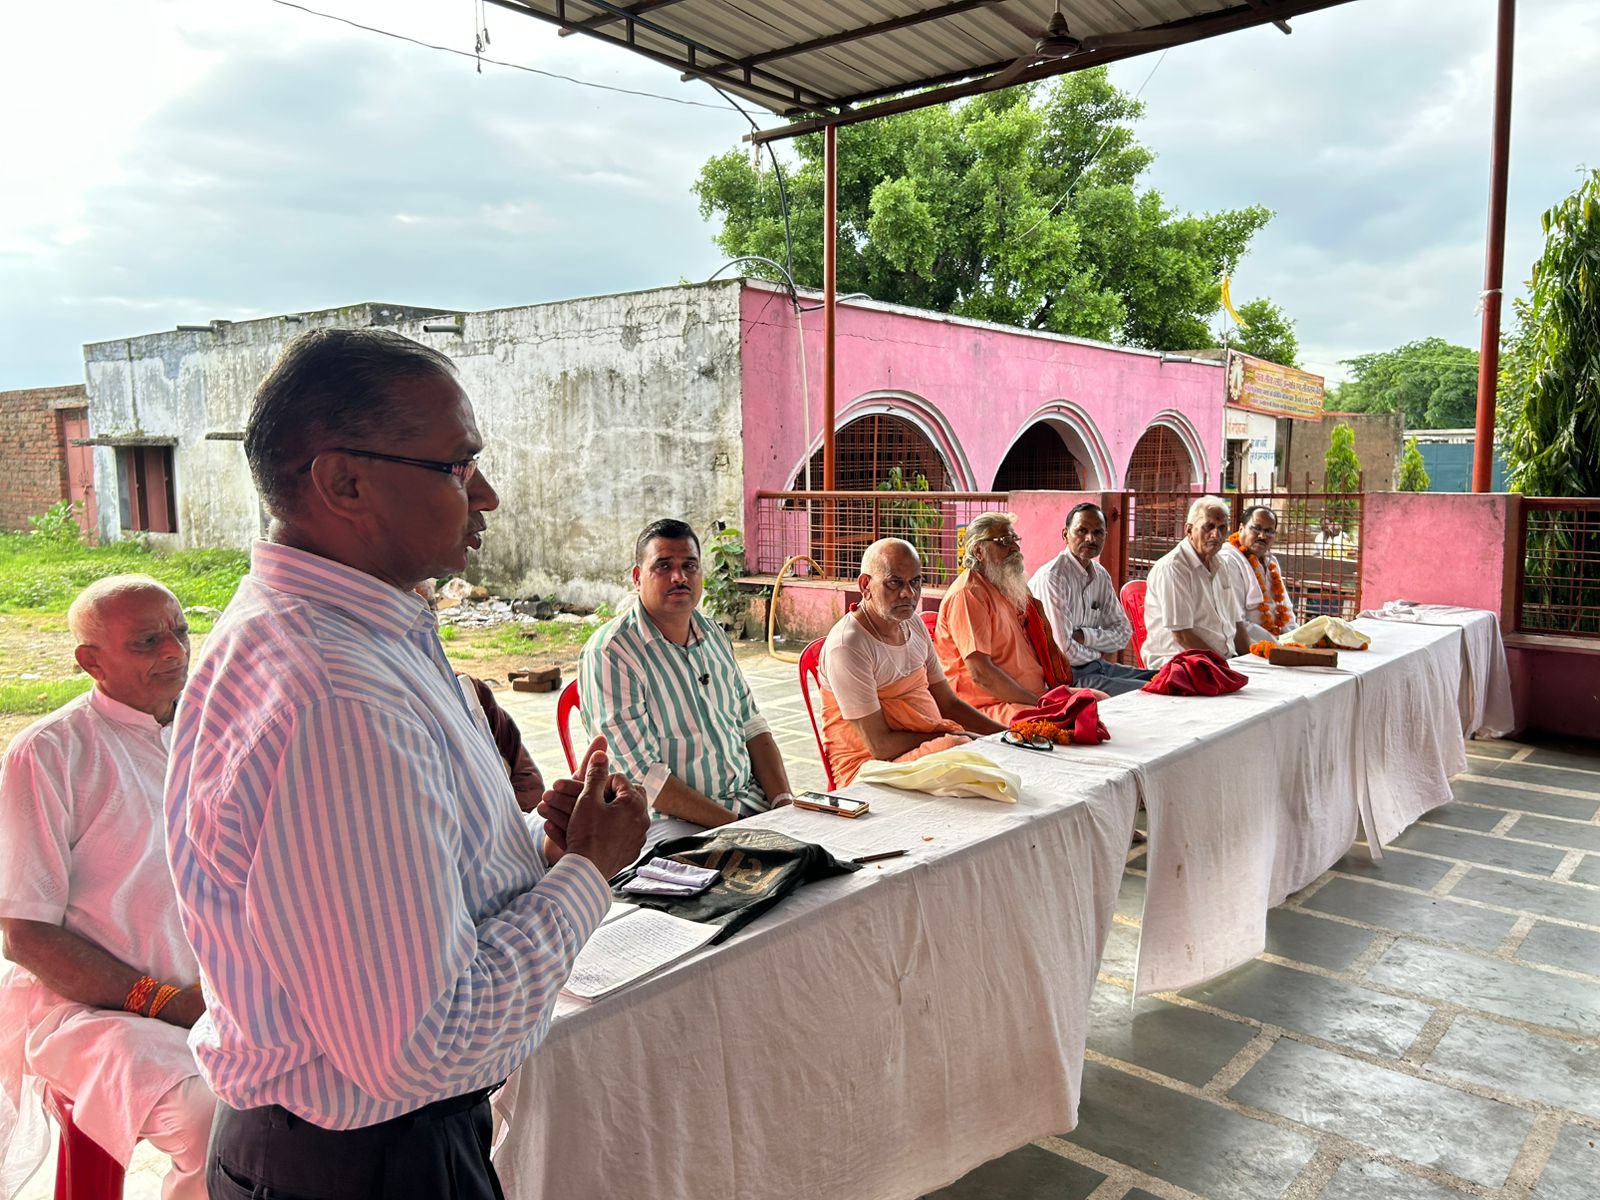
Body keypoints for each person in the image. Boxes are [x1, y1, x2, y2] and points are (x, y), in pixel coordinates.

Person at [165, 327, 648, 1200]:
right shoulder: (336, 693)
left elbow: (414, 900)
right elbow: (424, 1045)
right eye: (458, 467)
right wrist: (588, 872)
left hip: (356, 1151)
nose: (486, 494)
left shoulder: (360, 632)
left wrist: (537, 857)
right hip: (362, 1165)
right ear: (343, 482)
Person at [0, 576, 214, 1200]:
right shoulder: (49, 753)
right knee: (214, 1120)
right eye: (147, 642)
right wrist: (166, 1001)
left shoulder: (212, 729)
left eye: (180, 632)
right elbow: (26, 936)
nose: (174, 651)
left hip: (217, 997)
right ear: (90, 662)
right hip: (91, 1011)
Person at [581, 518, 795, 828]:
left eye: (689, 566)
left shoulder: (713, 634)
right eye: (663, 566)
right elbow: (643, 776)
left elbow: (751, 725)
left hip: (748, 805)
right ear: (638, 578)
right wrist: (738, 829)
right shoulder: (612, 652)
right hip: (667, 822)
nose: (679, 577)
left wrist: (784, 804)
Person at [818, 539, 1005, 785]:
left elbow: (948, 704)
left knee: (985, 752)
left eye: (915, 582)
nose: (909, 593)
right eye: (894, 583)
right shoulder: (848, 646)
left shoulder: (912, 624)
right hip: (870, 769)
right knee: (960, 752)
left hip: (933, 747)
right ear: (865, 585)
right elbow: (880, 746)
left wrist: (1005, 736)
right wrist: (952, 736)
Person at [934, 511, 1080, 723]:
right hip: (992, 705)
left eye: (1015, 539)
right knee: (1072, 722)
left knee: (1099, 700)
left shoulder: (1007, 587)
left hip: (1033, 696)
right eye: (1004, 541)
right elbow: (981, 673)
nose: (1015, 548)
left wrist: (1044, 698)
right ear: (979, 551)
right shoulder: (968, 595)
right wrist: (1039, 703)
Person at [417, 580, 544, 812]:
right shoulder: (379, 710)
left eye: (431, 608)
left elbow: (529, 783)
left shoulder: (469, 691)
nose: (426, 622)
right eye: (408, 609)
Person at [1027, 502, 1156, 696]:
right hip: (1066, 676)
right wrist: (1097, 652)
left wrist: (1084, 635)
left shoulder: (1100, 575)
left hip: (1096, 667)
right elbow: (1064, 651)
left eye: (1098, 532)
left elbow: (1123, 633)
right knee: (1150, 692)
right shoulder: (1052, 578)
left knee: (1161, 677)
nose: (1090, 538)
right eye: (1082, 531)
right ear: (1065, 535)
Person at [1142, 496, 1250, 670]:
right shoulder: (1174, 568)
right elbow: (1182, 636)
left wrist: (1249, 661)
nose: (1216, 535)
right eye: (1209, 527)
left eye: (1222, 528)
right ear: (1189, 530)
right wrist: (1222, 667)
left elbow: (1237, 622)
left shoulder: (1221, 564)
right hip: (1179, 663)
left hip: (1221, 661)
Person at [1217, 505, 1298, 644]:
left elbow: (1287, 610)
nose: (1262, 536)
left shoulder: (1271, 561)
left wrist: (1295, 639)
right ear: (1241, 528)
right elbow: (1237, 621)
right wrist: (1277, 644)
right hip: (1248, 645)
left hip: (1279, 642)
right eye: (1256, 528)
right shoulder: (1229, 560)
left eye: (1269, 531)